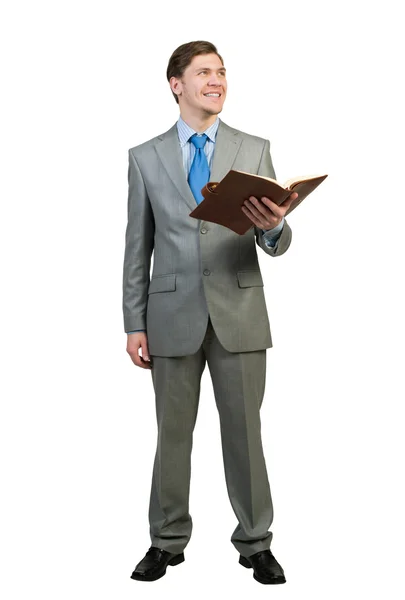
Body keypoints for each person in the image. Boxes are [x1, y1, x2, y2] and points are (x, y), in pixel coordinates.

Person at [122, 40, 298, 585]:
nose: (216, 80)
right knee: (172, 434)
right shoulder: (145, 157)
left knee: (245, 433)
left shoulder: (254, 147)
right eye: (204, 72)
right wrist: (134, 322)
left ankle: (255, 543)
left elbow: (279, 239)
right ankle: (166, 540)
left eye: (221, 72)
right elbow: (138, 245)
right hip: (171, 315)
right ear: (177, 84)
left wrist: (273, 225)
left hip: (239, 310)